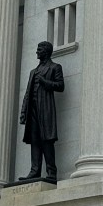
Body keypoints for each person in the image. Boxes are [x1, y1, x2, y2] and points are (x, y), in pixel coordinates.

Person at [19, 41, 64, 183]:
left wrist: (45, 82)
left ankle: (51, 171)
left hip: (45, 109)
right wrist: (23, 111)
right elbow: (27, 93)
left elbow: (60, 85)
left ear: (46, 51)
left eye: (39, 49)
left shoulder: (55, 67)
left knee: (47, 140)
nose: (37, 52)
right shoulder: (33, 72)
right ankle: (35, 170)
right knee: (35, 140)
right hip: (33, 110)